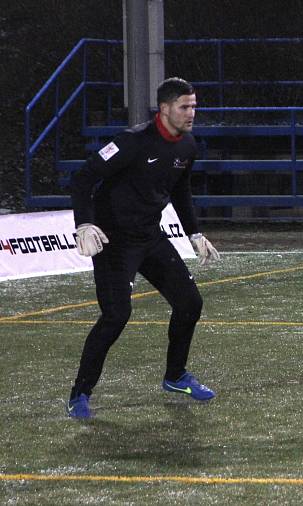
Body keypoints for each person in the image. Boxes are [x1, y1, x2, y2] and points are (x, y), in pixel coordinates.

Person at [66, 77, 221, 419]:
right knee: (116, 316)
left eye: (194, 105)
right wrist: (84, 223)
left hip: (150, 236)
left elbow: (180, 191)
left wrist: (194, 233)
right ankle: (80, 394)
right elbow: (83, 179)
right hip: (114, 241)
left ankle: (175, 376)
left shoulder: (187, 146)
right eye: (185, 106)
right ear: (164, 109)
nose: (192, 112)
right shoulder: (132, 142)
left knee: (190, 303)